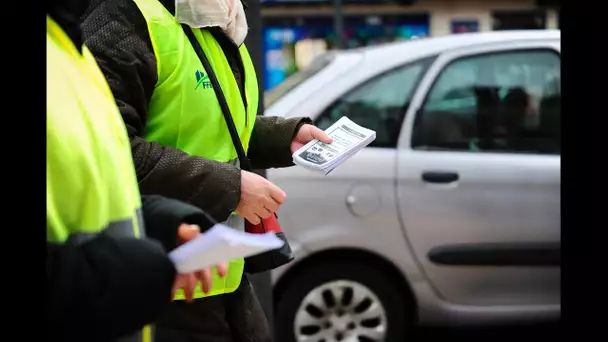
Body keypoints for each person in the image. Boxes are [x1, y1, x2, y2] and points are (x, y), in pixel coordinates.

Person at [80, 0, 332, 341]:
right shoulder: (123, 18)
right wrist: (232, 188)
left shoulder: (217, 17)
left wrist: (282, 137)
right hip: (162, 285)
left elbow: (212, 126)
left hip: (222, 276)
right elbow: (110, 151)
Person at [46, 1, 228, 341]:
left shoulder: (66, 43)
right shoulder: (109, 25)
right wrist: (131, 271)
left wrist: (158, 224)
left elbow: (96, 182)